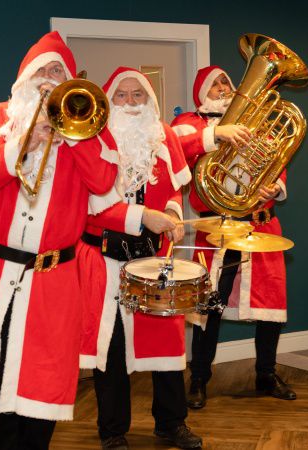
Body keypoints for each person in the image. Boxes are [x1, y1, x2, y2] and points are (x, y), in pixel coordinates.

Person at [0, 31, 116, 449]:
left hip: (54, 278)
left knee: (45, 381)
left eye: (58, 71)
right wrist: (24, 142)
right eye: (42, 70)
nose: (49, 78)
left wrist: (74, 137)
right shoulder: (0, 118)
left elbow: (104, 181)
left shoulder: (88, 128)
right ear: (26, 76)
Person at [78, 67, 203, 450]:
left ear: (149, 99)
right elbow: (90, 205)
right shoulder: (92, 139)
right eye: (122, 95)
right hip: (105, 260)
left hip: (153, 258)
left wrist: (174, 214)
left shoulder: (162, 135)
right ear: (109, 99)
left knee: (167, 343)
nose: (130, 102)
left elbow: (174, 190)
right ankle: (113, 431)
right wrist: (145, 217)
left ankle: (171, 423)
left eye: (138, 95)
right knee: (112, 349)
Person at [171, 66, 294, 410]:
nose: (224, 88)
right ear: (202, 92)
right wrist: (216, 134)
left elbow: (277, 157)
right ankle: (199, 378)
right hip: (219, 229)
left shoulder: (256, 121)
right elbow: (173, 149)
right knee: (209, 305)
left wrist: (275, 185)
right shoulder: (191, 125)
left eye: (226, 81)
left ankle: (266, 374)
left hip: (261, 224)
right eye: (215, 84)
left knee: (270, 304)